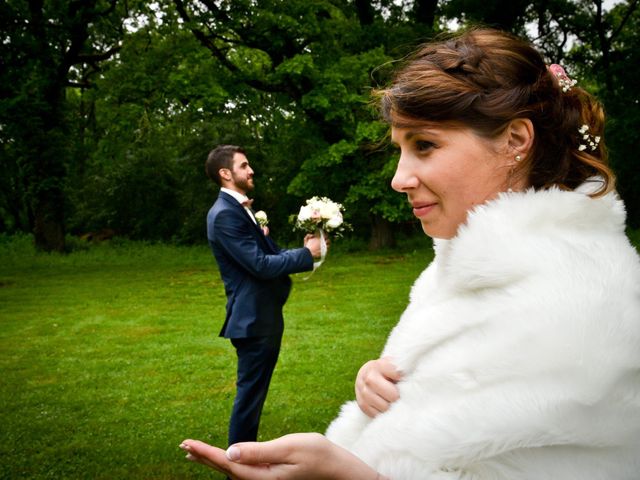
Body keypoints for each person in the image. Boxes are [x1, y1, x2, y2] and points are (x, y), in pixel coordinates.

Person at [181, 29, 640, 479]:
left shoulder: (573, 304)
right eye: (401, 149)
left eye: (425, 145)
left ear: (516, 141)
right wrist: (378, 387)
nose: (399, 179)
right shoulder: (476, 268)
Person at [204, 144, 324, 449]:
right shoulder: (224, 215)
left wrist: (300, 248)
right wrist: (306, 255)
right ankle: (238, 465)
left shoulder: (239, 210)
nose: (251, 170)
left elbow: (265, 256)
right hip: (252, 320)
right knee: (249, 400)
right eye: (244, 165)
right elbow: (259, 266)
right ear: (225, 173)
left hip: (262, 316)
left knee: (253, 398)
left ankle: (241, 460)